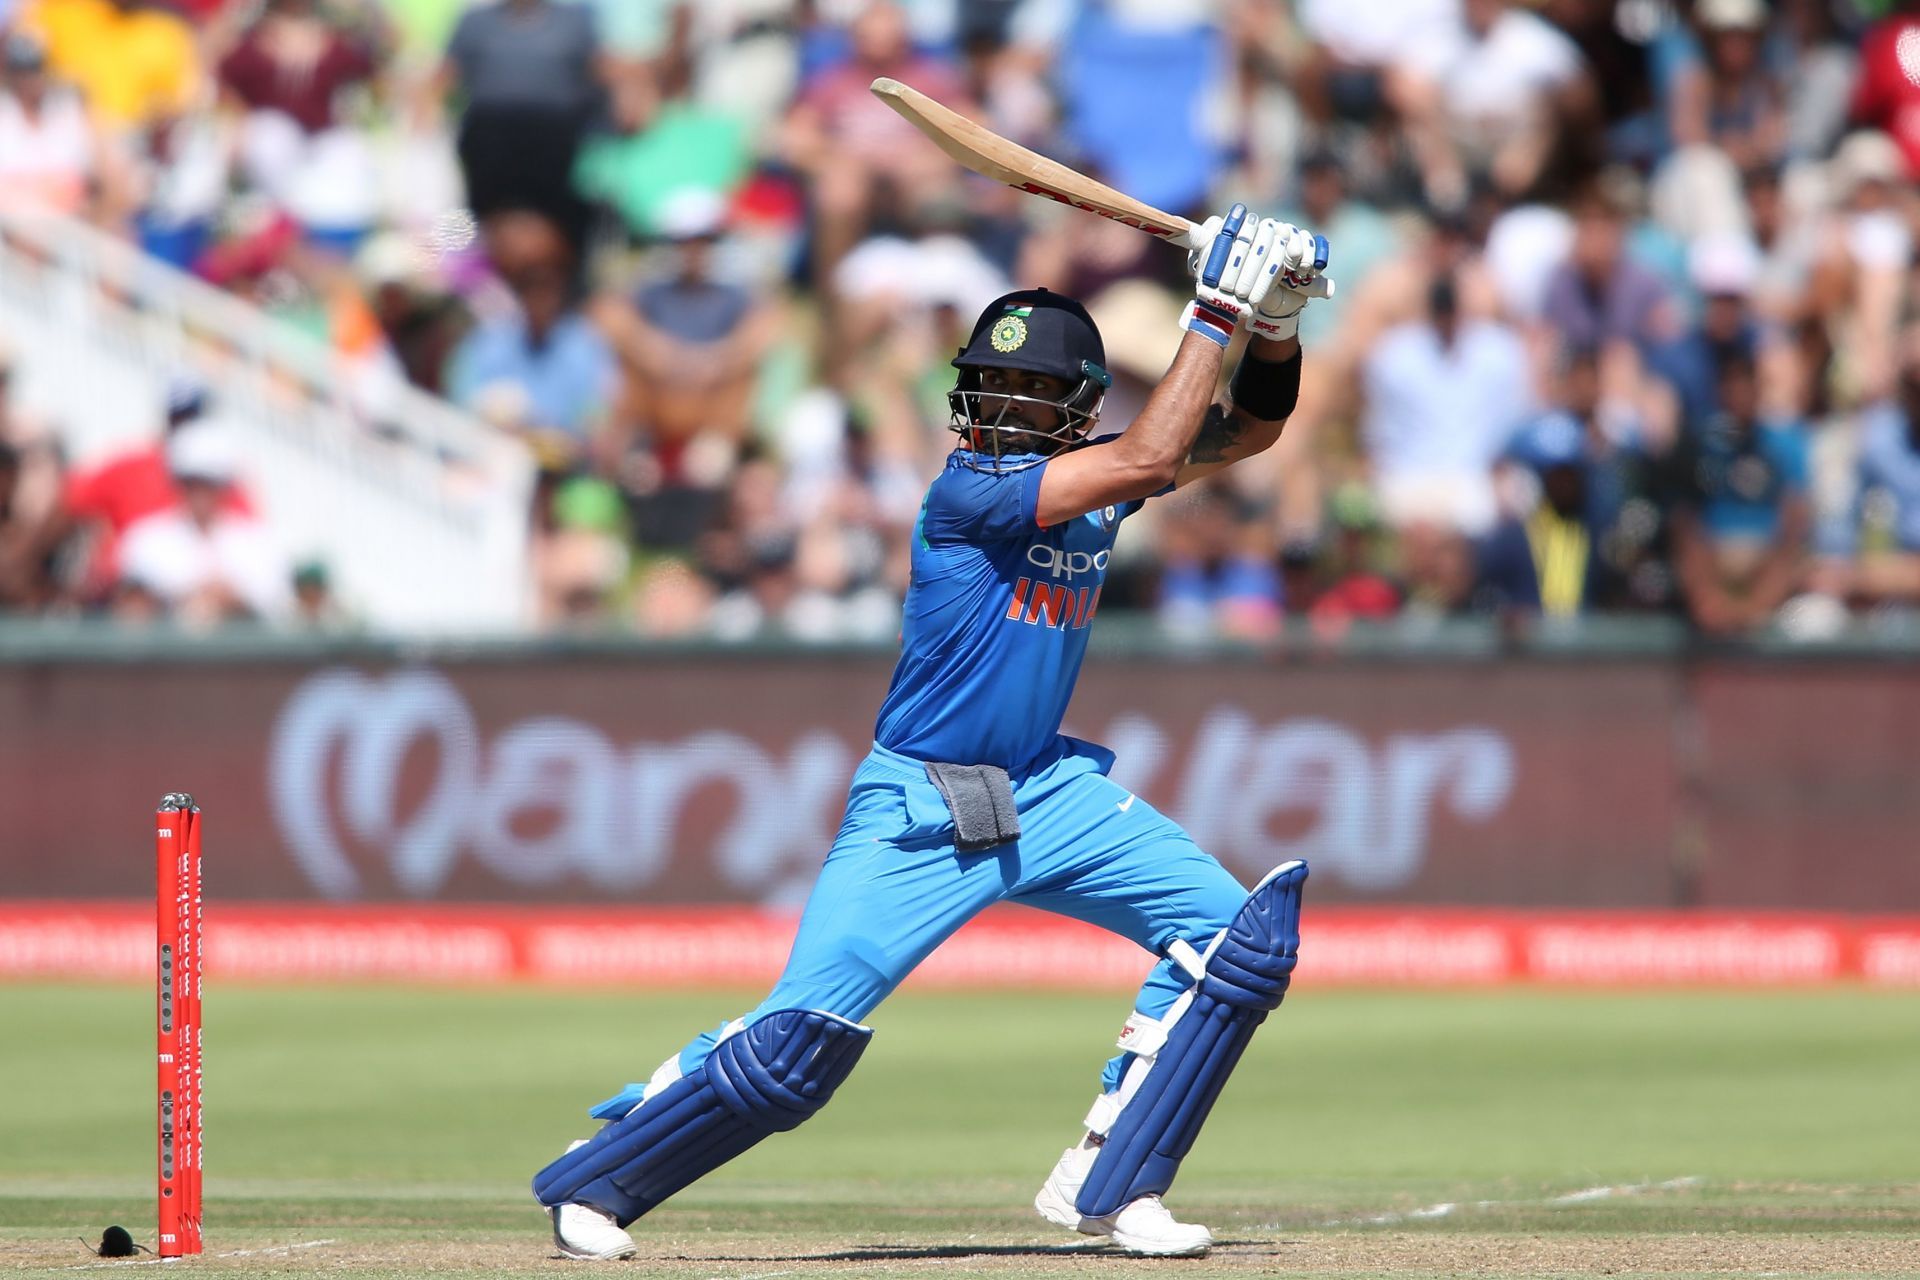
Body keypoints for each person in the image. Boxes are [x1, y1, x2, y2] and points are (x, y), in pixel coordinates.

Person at [531, 209, 1332, 1259]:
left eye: (1033, 392)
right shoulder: (969, 490)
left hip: (1044, 790)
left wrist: (1273, 322)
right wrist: (1218, 306)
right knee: (795, 1055)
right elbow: (1147, 454)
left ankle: (1116, 1179)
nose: (1003, 406)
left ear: (1073, 405)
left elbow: (1251, 429)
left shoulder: (1090, 488)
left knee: (1242, 939)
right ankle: (599, 1178)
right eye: (990, 387)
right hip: (922, 804)